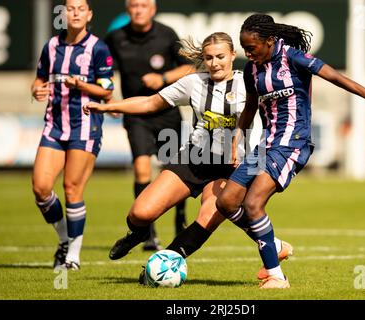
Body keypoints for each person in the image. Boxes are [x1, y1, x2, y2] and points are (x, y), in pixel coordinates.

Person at [215, 13, 365, 289]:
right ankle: (275, 244)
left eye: (251, 48)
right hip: (265, 144)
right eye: (244, 48)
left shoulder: (294, 58)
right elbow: (249, 107)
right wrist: (236, 140)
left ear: (270, 41)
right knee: (225, 202)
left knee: (253, 204)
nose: (247, 53)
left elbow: (338, 78)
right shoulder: (252, 69)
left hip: (292, 143)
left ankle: (276, 276)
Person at [84, 32, 292, 281]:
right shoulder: (194, 82)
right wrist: (109, 106)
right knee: (140, 213)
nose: (214, 63)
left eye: (220, 57)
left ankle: (161, 266)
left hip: (233, 167)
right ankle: (138, 235)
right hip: (194, 159)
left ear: (232, 56)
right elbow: (151, 103)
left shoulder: (251, 82)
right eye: (209, 58)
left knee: (208, 215)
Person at [31, 0, 114, 270]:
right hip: (54, 126)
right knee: (41, 189)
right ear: (63, 13)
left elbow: (107, 91)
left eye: (81, 8)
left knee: (71, 189)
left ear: (89, 14)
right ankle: (64, 237)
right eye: (70, 8)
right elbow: (40, 78)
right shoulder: (51, 46)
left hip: (84, 127)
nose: (75, 13)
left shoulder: (98, 48)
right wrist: (36, 90)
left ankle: (73, 256)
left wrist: (81, 84)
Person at [104, 0, 194, 250]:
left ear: (152, 9)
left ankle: (180, 221)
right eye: (133, 5)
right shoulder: (115, 38)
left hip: (166, 113)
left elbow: (189, 67)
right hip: (136, 115)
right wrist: (108, 96)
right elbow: (106, 71)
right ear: (127, 9)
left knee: (173, 170)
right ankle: (147, 233)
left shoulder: (166, 35)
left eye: (143, 5)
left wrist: (163, 78)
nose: (138, 9)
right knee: (142, 170)